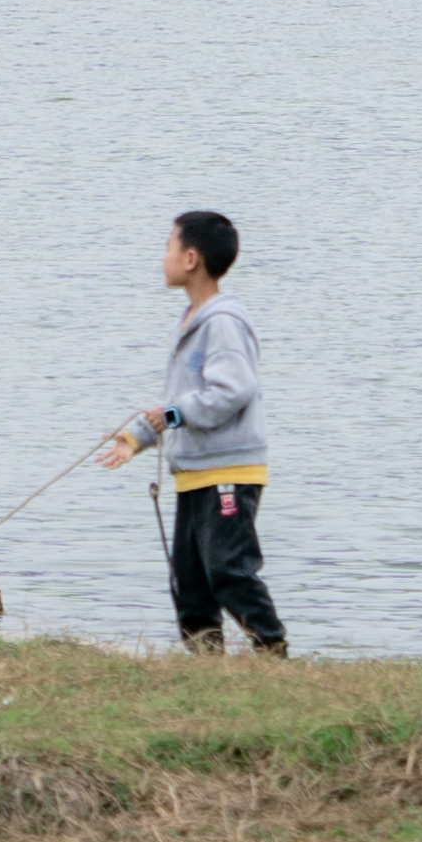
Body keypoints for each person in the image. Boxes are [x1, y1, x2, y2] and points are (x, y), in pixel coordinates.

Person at [90, 208, 281, 656]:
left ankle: (273, 651)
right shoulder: (192, 320)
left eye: (168, 247)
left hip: (229, 470)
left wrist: (172, 415)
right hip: (196, 472)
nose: (163, 258)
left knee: (227, 569)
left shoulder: (221, 322)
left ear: (191, 258)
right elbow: (177, 404)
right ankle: (206, 661)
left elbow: (232, 391)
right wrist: (134, 438)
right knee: (190, 578)